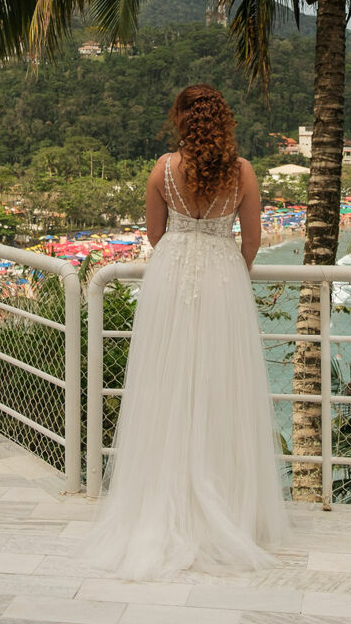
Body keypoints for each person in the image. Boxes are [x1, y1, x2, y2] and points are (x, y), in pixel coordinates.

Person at [79, 84, 291, 579]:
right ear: (225, 121)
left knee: (167, 386)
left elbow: (155, 235)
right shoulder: (242, 172)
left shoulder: (162, 170)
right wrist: (227, 271)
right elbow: (254, 240)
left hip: (171, 278)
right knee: (222, 390)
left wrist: (185, 249)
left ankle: (164, 500)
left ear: (180, 119)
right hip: (223, 278)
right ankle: (230, 508)